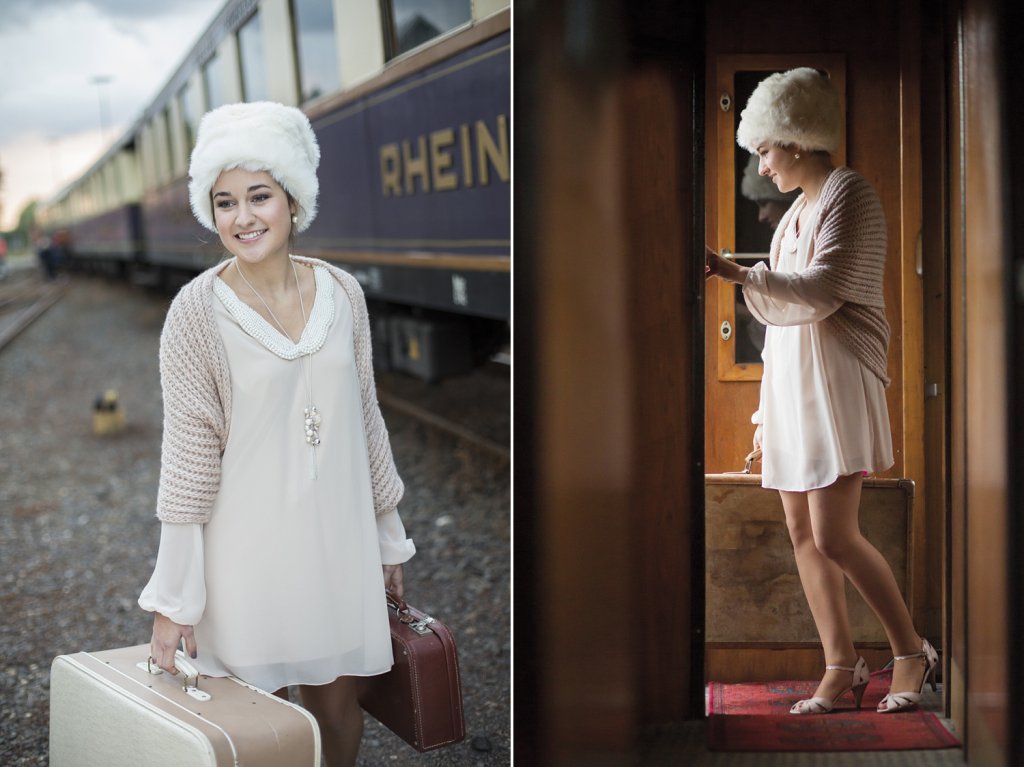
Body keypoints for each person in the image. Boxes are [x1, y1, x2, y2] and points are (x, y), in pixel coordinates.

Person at [138, 101, 416, 766]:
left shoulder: (344, 293)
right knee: (262, 723)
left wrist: (389, 538)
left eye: (259, 196)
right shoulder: (194, 314)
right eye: (225, 202)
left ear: (293, 199)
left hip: (337, 551)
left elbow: (367, 419)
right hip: (247, 559)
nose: (244, 218)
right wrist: (174, 600)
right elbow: (186, 461)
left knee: (337, 711)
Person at [705, 68, 937, 715]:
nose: (761, 162)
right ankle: (840, 667)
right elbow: (781, 327)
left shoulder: (849, 194)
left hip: (836, 386)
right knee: (801, 532)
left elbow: (824, 289)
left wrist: (733, 271)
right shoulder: (796, 214)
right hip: (793, 388)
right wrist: (761, 414)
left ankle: (912, 651)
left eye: (765, 148)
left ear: (797, 138)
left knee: (834, 533)